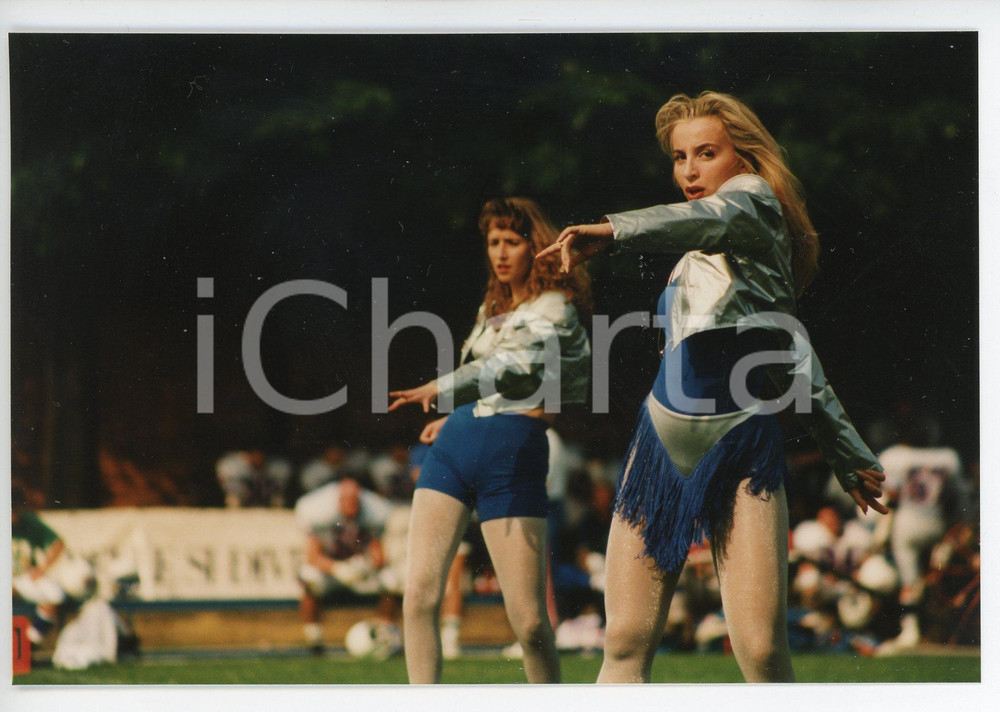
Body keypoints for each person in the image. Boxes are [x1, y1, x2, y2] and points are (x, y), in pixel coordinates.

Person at [537, 91, 888, 683]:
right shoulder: (697, 258)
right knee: (622, 641)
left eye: (706, 153)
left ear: (743, 160)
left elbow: (789, 351)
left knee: (760, 650)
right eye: (679, 157)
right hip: (659, 449)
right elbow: (786, 350)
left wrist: (614, 232)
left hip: (739, 450)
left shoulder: (751, 205)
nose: (690, 171)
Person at [388, 196, 592, 683]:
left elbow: (511, 368)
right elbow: (484, 379)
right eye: (493, 242)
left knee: (528, 622)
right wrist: (458, 413)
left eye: (512, 242)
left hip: (514, 451)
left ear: (535, 247)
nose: (500, 253)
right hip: (457, 445)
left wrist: (441, 388)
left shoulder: (556, 308)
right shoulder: (492, 306)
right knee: (418, 594)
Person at [294, 477, 397, 653]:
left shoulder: (374, 513)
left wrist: (364, 566)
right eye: (346, 500)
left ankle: (385, 634)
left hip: (360, 572)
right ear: (337, 500)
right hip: (330, 571)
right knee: (308, 578)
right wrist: (337, 569)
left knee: (391, 580)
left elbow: (379, 556)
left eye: (354, 500)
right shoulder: (318, 513)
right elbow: (312, 556)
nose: (351, 504)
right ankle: (314, 639)